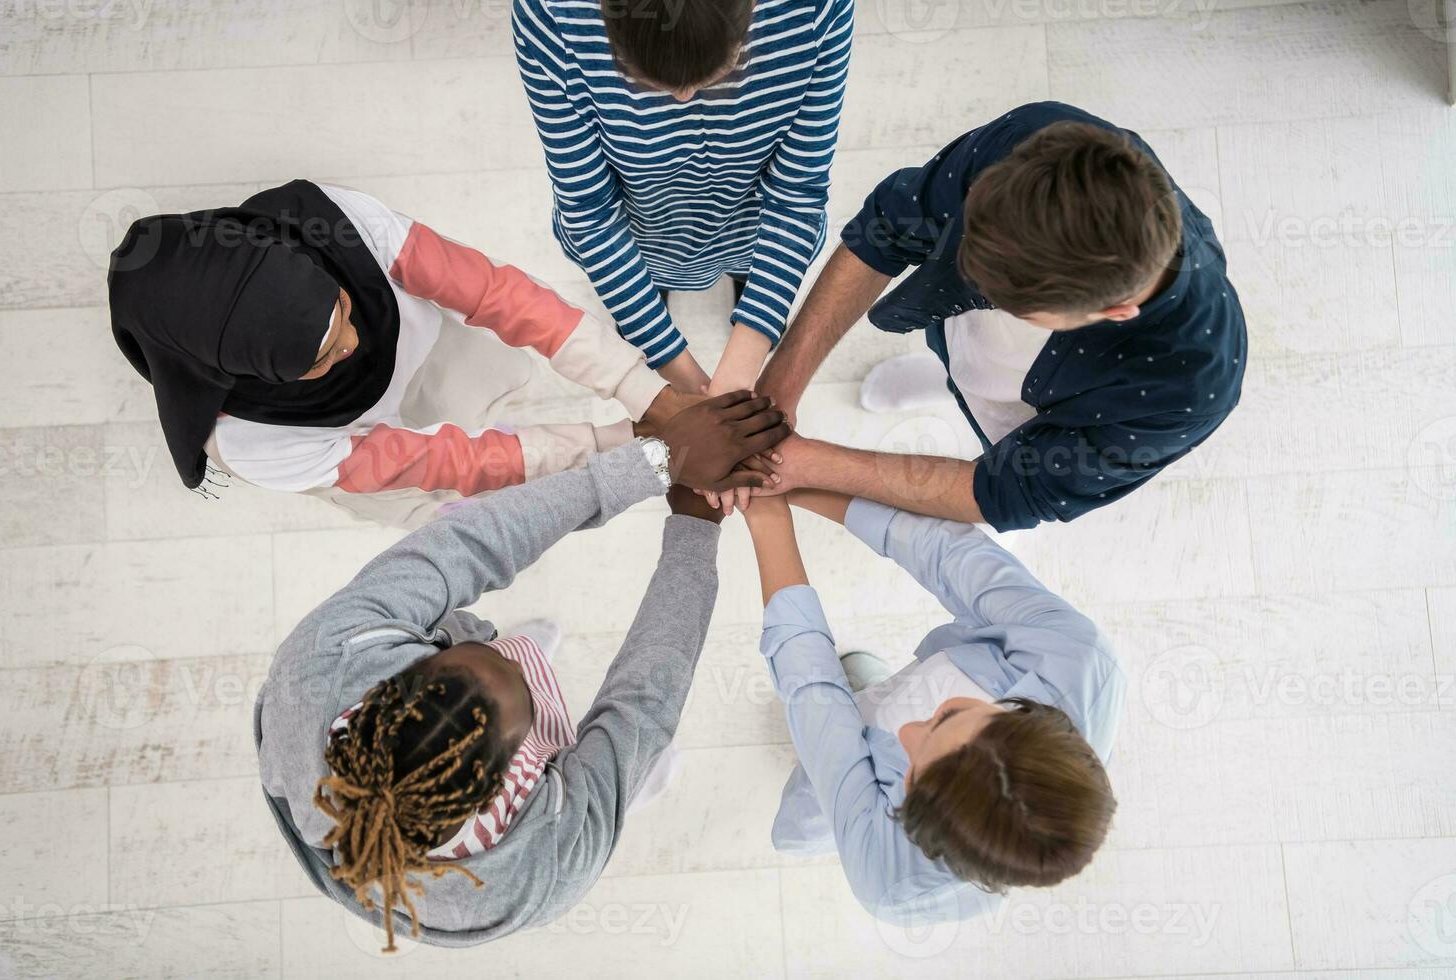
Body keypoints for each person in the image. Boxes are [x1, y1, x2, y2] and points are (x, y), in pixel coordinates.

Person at [256, 392, 790, 951]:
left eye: (460, 659)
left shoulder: (326, 654)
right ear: (511, 777)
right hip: (558, 808)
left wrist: (658, 460)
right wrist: (694, 527)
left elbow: (475, 543)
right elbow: (641, 705)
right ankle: (624, 789)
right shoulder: (547, 863)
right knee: (624, 761)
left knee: (519, 667)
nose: (498, 652)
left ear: (389, 686)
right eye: (518, 696)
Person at [748, 102, 1247, 532]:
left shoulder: (1188, 388)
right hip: (1000, 345)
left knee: (997, 426)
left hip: (1039, 407)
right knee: (965, 357)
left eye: (1011, 303)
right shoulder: (1035, 140)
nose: (974, 291)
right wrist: (780, 389)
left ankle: (968, 393)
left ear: (1113, 312)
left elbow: (1007, 491)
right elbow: (888, 227)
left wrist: (809, 462)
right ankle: (947, 380)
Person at [108, 179, 699, 529]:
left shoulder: (338, 224)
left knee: (469, 397)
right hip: (347, 443)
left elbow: (495, 293)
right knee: (454, 501)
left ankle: (510, 432)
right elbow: (444, 463)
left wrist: (638, 387)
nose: (354, 343)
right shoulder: (256, 444)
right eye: (316, 359)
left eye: (340, 309)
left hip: (424, 348)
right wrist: (612, 444)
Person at [740, 489, 1123, 923]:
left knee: (810, 808)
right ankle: (869, 692)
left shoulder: (888, 882)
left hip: (858, 822)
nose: (906, 734)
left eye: (914, 774)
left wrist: (766, 516)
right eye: (949, 715)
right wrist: (789, 483)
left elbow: (816, 695)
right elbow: (944, 550)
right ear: (1024, 712)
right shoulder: (1076, 656)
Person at [511, 0, 853, 399]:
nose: (684, 96)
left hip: (754, 231)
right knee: (644, 291)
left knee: (751, 274)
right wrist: (672, 361)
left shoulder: (815, 10)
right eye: (650, 79)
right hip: (640, 235)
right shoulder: (553, 14)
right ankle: (652, 296)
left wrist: (750, 344)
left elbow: (795, 196)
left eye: (717, 70)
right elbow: (590, 211)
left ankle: (747, 287)